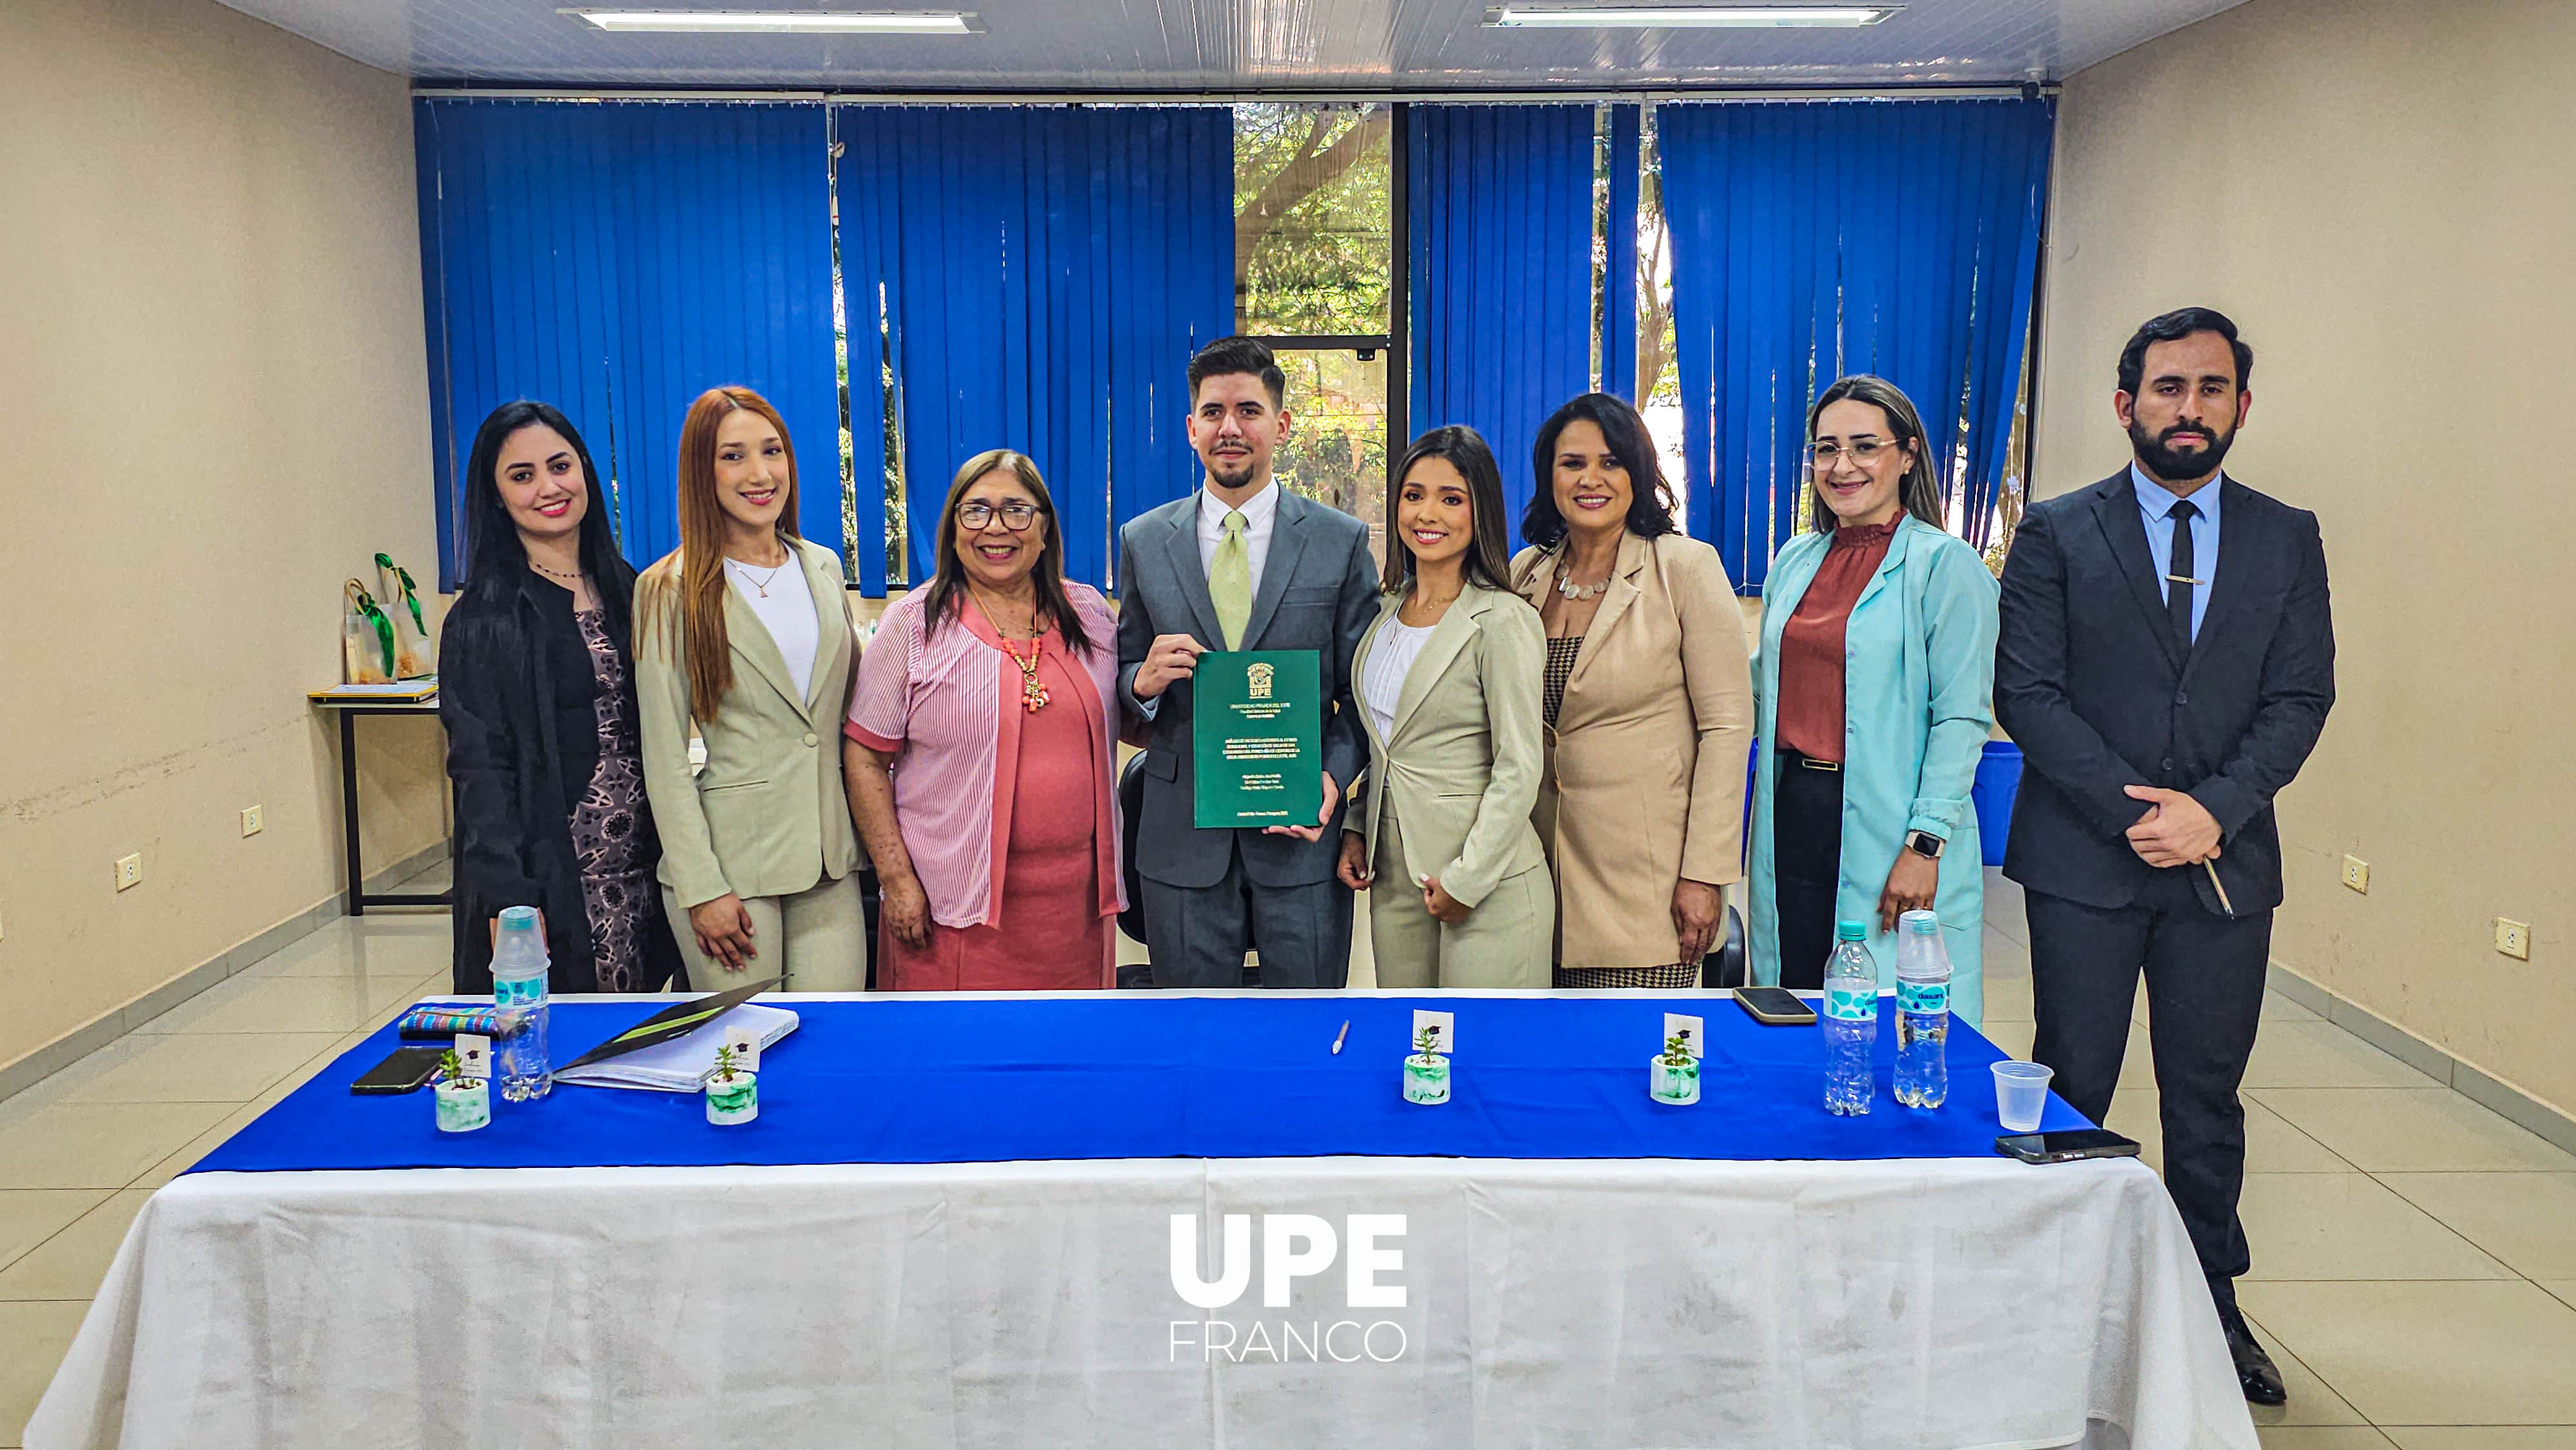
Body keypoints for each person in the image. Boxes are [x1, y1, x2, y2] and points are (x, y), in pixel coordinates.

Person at [1996, 307, 2334, 1406]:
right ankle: (2057, 1299)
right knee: (2074, 1082)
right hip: (2084, 860)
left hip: (2223, 868)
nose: (2190, 409)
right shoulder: (2055, 530)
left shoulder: (2287, 535)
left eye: (2212, 388)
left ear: (2241, 402)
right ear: (2124, 403)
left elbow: (2299, 697)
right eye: (2168, 388)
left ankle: (2210, 1308)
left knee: (2205, 1096)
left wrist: (2214, 812)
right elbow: (2028, 693)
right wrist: (2137, 813)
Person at [1115, 336, 1380, 988]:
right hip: (1181, 838)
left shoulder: (1338, 541)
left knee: (1304, 1036)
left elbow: (1363, 693)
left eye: (1248, 411)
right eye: (1212, 412)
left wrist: (1330, 776)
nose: (1229, 428)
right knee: (1193, 1040)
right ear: (1191, 428)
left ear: (1281, 425)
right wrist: (1140, 681)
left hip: (1297, 837)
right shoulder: (1145, 540)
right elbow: (1119, 679)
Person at [1746, 376, 1999, 1023]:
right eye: (1825, 449)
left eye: (1864, 446)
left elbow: (1962, 717)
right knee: (1793, 990)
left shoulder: (1945, 565)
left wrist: (1924, 844)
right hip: (1791, 812)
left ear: (1907, 455)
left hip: (1891, 822)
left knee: (1885, 1011)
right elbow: (1760, 687)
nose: (1842, 466)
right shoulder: (1795, 560)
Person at [844, 450, 1122, 990]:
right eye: (976, 511)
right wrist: (897, 881)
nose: (996, 527)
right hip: (950, 914)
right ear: (953, 528)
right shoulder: (913, 626)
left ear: (1044, 529)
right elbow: (864, 758)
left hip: (1077, 915)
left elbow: (1133, 718)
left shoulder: (1091, 614)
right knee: (954, 1067)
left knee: (1069, 1064)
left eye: (1017, 510)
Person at [440, 401, 685, 995]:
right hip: (555, 872)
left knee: (641, 1034)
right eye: (522, 476)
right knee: (564, 1046)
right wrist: (509, 900)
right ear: (497, 495)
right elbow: (480, 769)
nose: (548, 488)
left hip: (646, 865)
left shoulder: (630, 588)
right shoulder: (484, 619)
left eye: (560, 466)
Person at [1510, 393, 1754, 988]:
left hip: (1649, 888)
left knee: (1640, 1066)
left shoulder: (1686, 568)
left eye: (1611, 462)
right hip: (1532, 881)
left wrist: (1705, 874)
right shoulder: (1525, 574)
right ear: (1549, 475)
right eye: (1572, 464)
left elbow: (1727, 728)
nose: (1591, 479)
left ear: (1639, 474)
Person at [636, 386, 866, 992]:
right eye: (733, 456)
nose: (761, 473)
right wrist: (701, 885)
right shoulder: (670, 588)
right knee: (743, 1054)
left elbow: (842, 715)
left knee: (831, 1045)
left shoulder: (821, 566)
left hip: (828, 857)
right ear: (701, 471)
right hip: (731, 866)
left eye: (772, 451)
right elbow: (663, 759)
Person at [1334, 427, 1552, 987]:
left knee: (1483, 1059)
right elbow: (1385, 743)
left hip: (1486, 883)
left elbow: (1520, 765)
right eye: (1414, 495)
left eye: (1451, 498)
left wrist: (1469, 878)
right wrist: (1357, 827)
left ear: (1479, 511)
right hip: (1394, 878)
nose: (1427, 513)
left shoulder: (1502, 620)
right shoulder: (1384, 614)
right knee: (1417, 1048)